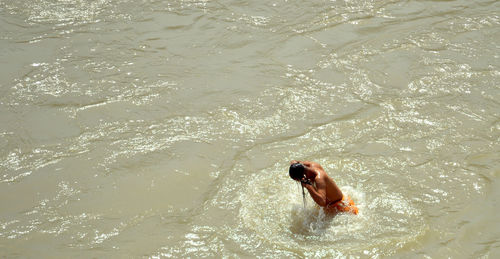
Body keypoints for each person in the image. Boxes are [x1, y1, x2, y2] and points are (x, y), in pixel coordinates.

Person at [289, 160, 358, 215]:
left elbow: (322, 202)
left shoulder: (319, 178)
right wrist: (294, 166)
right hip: (331, 205)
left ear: (302, 176)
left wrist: (308, 186)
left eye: (298, 180)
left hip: (342, 207)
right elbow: (293, 161)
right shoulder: (310, 165)